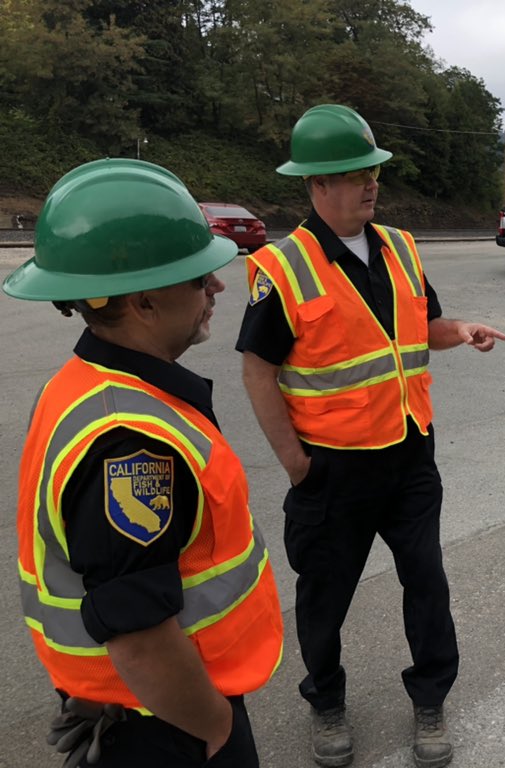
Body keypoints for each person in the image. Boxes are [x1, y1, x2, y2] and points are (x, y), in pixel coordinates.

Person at [236, 104, 505, 768]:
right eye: (354, 173)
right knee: (324, 597)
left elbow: (424, 327)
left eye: (373, 169)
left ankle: (430, 697)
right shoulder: (283, 265)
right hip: (332, 471)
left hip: (410, 457)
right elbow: (257, 370)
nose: (370, 182)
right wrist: (296, 464)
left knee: (427, 582)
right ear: (316, 185)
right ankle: (325, 701)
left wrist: (461, 330)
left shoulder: (402, 247)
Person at [4, 158, 284, 768]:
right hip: (164, 722)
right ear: (143, 302)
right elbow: (136, 630)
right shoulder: (131, 442)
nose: (216, 288)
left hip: (144, 709)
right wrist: (213, 729)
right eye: (195, 278)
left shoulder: (83, 384)